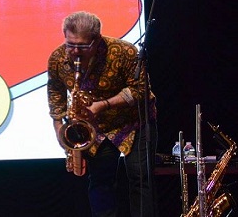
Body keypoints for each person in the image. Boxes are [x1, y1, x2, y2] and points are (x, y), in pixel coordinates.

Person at [47, 11, 157, 217]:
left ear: (96, 40)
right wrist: (59, 128)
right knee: (101, 182)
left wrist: (103, 105)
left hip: (134, 123)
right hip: (97, 129)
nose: (74, 52)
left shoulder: (123, 52)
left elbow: (141, 89)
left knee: (140, 179)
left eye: (81, 46)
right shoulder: (58, 58)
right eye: (70, 44)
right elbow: (55, 92)